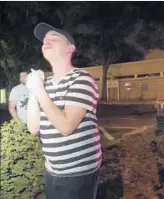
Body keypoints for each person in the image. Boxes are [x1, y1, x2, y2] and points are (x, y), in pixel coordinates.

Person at [26, 22, 101, 199]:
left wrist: (39, 91)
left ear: (70, 48)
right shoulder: (45, 86)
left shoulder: (82, 79)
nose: (46, 41)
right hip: (52, 171)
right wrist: (32, 92)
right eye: (44, 40)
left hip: (78, 173)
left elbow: (67, 126)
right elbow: (33, 127)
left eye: (54, 38)